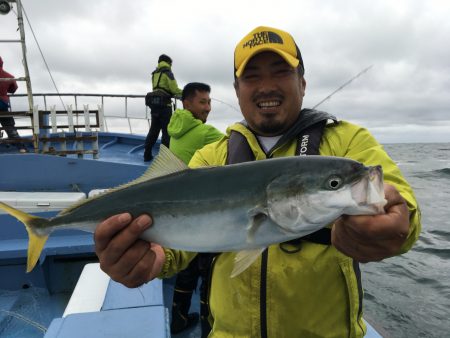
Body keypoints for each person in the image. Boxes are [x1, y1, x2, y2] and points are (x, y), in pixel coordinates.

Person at [94, 26, 421, 337]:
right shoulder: (212, 156)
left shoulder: (348, 144)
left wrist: (397, 221)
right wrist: (152, 259)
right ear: (237, 91)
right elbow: (176, 244)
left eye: (281, 72)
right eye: (252, 77)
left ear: (302, 83)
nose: (266, 86)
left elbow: (398, 202)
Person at [167, 82, 224, 336]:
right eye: (203, 102)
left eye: (209, 102)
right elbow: (238, 146)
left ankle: (178, 315)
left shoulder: (174, 127)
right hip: (202, 210)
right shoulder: (204, 133)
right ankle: (207, 325)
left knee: (186, 268)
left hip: (179, 207)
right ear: (187, 103)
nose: (208, 108)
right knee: (207, 268)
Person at [143, 54, 182, 162]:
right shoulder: (168, 73)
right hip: (165, 106)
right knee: (166, 131)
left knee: (153, 130)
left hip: (154, 105)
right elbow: (174, 89)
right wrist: (185, 94)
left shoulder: (154, 74)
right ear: (169, 63)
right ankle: (164, 159)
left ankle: (147, 154)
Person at [0, 56, 25, 152]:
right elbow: (13, 89)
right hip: (2, 104)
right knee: (10, 128)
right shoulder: (9, 76)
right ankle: (22, 149)